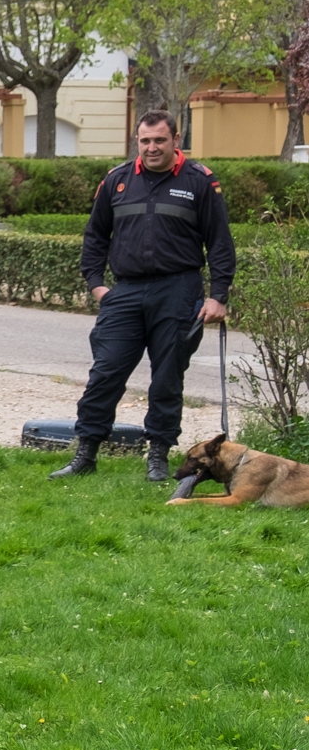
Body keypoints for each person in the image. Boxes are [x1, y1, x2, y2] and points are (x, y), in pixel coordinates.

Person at [54, 110, 234, 482]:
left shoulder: (200, 180)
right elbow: (95, 236)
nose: (151, 148)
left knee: (167, 379)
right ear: (138, 141)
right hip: (125, 291)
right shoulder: (117, 180)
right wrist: (97, 284)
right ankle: (85, 453)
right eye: (145, 141)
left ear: (175, 140)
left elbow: (219, 242)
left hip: (179, 291)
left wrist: (218, 296)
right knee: (105, 373)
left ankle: (158, 458)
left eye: (159, 140)